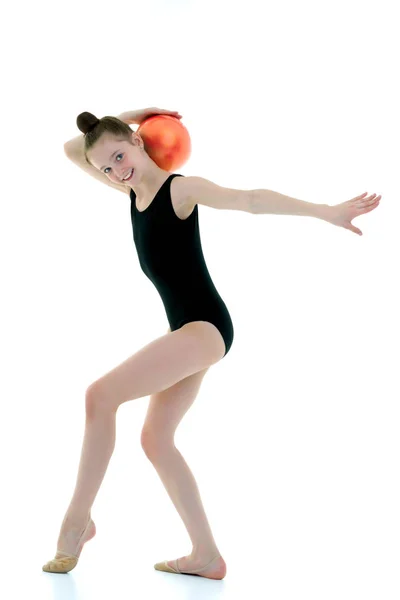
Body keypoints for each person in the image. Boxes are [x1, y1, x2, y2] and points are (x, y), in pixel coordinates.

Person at [43, 107, 381, 578]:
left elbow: (249, 199)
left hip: (203, 327)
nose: (117, 170)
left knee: (99, 396)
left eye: (121, 155)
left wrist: (325, 212)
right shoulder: (130, 191)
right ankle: (206, 555)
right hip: (185, 329)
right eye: (107, 167)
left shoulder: (178, 189)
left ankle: (76, 523)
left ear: (139, 142)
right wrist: (126, 118)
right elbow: (68, 149)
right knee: (156, 439)